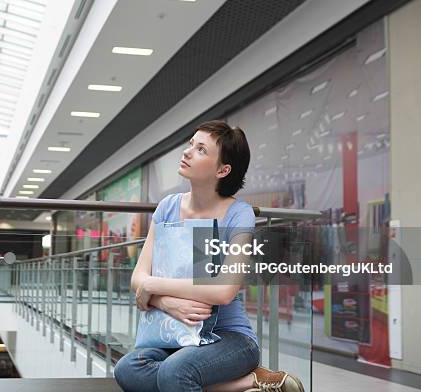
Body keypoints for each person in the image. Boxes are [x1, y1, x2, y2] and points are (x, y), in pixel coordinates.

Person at [113, 120, 304, 392]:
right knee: (127, 370)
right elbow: (138, 276)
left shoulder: (238, 214)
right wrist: (167, 303)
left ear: (223, 170)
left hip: (229, 338)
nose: (188, 152)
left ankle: (238, 376)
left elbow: (225, 290)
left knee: (175, 372)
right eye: (191, 144)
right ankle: (250, 382)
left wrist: (152, 288)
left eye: (201, 149)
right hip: (176, 334)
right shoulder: (167, 207)